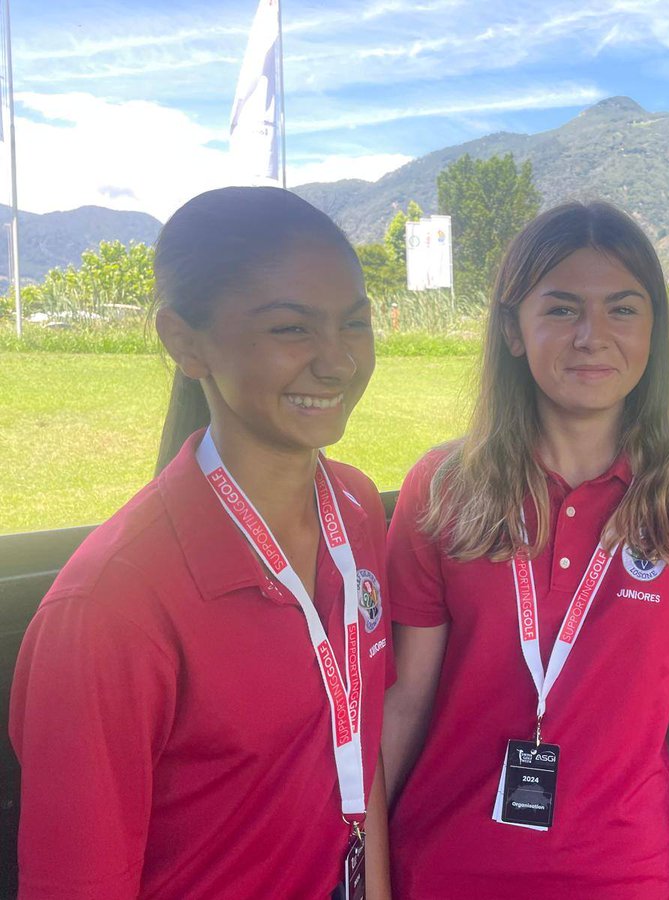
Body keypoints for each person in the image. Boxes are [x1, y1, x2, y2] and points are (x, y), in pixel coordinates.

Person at [381, 200, 669, 899]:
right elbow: (406, 702)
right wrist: (359, 871)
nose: (593, 336)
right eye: (562, 309)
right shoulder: (442, 488)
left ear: (653, 329)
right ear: (511, 328)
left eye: (623, 310)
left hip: (622, 877)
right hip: (441, 870)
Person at [9, 186, 393, 898]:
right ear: (185, 341)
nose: (338, 362)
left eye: (355, 323)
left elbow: (357, 750)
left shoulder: (358, 511)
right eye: (291, 329)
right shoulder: (109, 610)